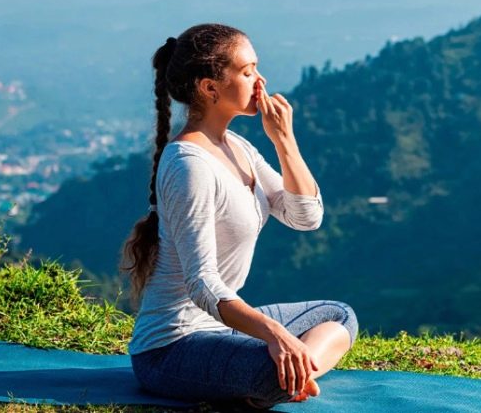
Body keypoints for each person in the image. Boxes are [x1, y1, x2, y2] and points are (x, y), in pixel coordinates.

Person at [121, 23, 359, 410]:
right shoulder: (189, 166)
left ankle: (291, 377)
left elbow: (305, 217)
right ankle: (283, 378)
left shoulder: (238, 147)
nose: (260, 81)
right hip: (170, 349)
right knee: (273, 366)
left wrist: (284, 140)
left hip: (220, 330)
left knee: (338, 315)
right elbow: (203, 285)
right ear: (209, 88)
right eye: (247, 72)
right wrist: (275, 335)